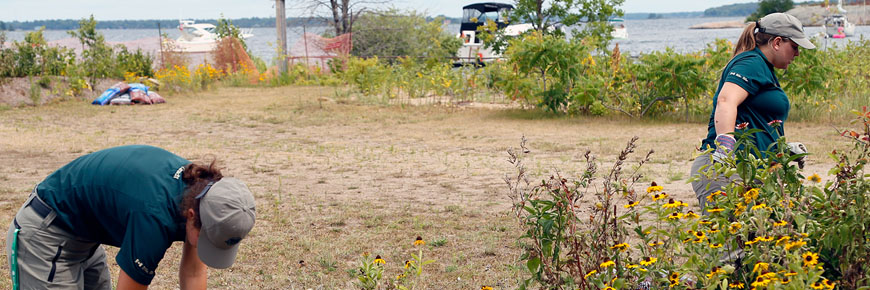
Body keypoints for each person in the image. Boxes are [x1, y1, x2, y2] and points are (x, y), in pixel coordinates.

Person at [6, 145, 256, 290]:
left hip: (84, 234)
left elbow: (193, 272)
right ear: (191, 216)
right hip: (46, 233)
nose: (205, 247)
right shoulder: (153, 218)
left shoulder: (203, 192)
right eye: (206, 240)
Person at [690, 13, 813, 211]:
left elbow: (754, 119)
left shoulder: (763, 68)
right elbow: (726, 100)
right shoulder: (751, 63)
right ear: (777, 42)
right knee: (735, 239)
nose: (797, 54)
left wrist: (782, 150)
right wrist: (725, 147)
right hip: (728, 170)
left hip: (750, 169)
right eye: (795, 47)